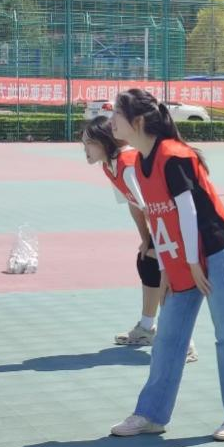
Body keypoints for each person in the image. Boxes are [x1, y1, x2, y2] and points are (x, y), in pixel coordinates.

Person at [108, 89, 224, 441]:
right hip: (184, 259)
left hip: (215, 252)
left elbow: (188, 213)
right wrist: (169, 268)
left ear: (137, 122)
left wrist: (192, 263)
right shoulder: (138, 163)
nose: (111, 120)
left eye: (117, 114)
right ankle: (151, 415)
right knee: (168, 338)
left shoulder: (175, 156)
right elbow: (161, 220)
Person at [81, 117, 197, 362]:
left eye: (89, 144)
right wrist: (146, 240)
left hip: (175, 221)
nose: (85, 150)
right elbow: (134, 205)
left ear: (105, 141)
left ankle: (184, 343)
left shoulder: (128, 163)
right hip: (159, 222)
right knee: (147, 263)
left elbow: (152, 206)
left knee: (170, 276)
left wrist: (160, 246)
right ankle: (147, 328)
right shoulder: (109, 166)